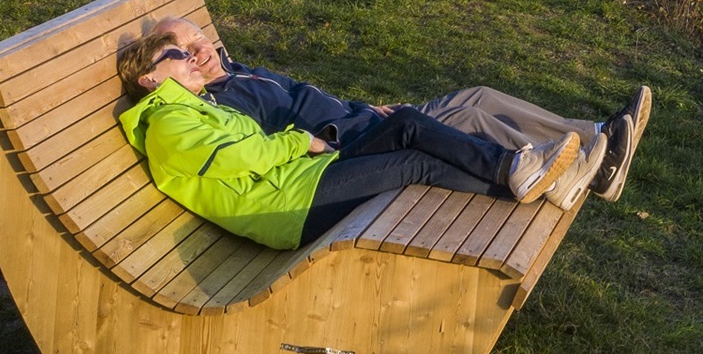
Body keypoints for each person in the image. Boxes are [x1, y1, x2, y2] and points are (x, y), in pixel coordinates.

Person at [116, 30, 555, 250]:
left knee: (406, 123)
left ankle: (513, 170)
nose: (190, 56)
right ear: (149, 78)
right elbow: (238, 158)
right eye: (175, 54)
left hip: (305, 179)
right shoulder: (166, 125)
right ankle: (518, 178)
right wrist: (300, 142)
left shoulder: (195, 108)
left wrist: (309, 146)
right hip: (287, 211)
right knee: (413, 162)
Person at [150, 17, 649, 205]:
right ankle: (569, 167)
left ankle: (595, 134)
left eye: (199, 41)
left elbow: (307, 96)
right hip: (349, 143)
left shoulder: (239, 71)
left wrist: (363, 108)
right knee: (468, 120)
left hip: (362, 117)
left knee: (477, 96)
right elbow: (278, 137)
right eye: (187, 52)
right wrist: (346, 127)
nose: (201, 53)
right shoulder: (224, 101)